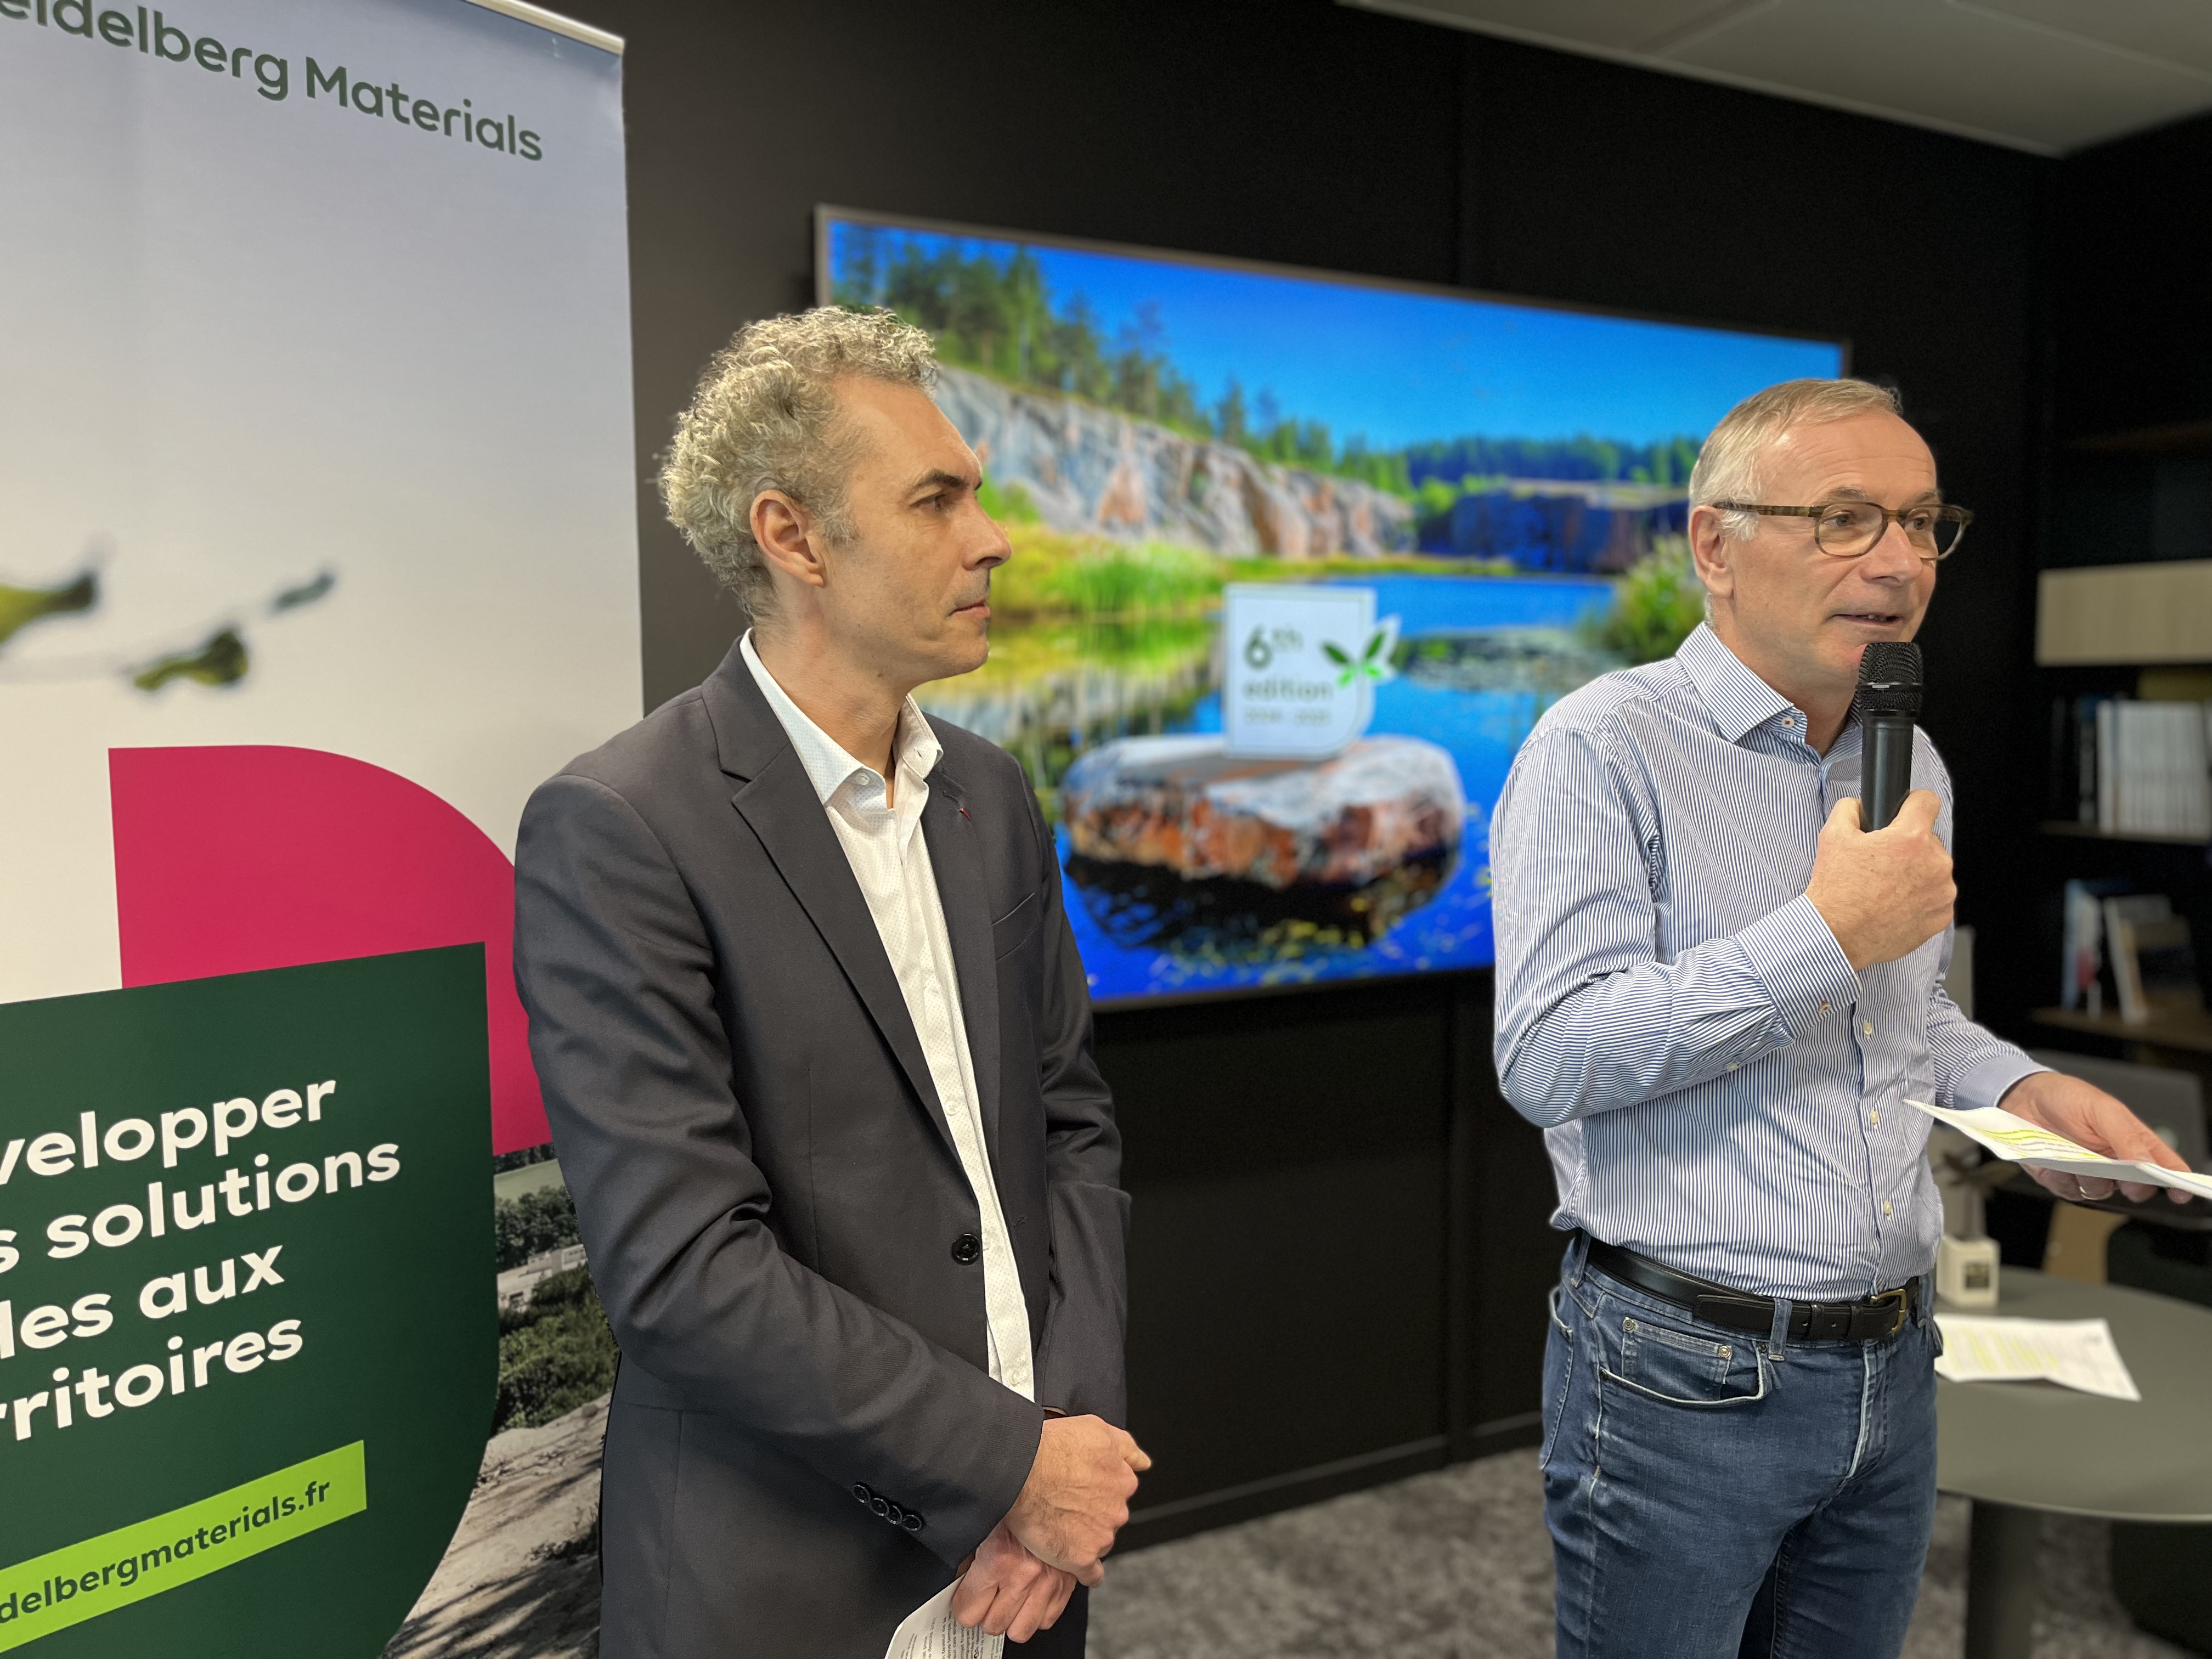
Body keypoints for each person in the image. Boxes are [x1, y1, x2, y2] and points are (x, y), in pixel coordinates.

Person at [1491, 377, 2193, 1659]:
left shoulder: (1906, 758)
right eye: (1847, 519)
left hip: (1894, 1358)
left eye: (1924, 524)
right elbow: (1551, 1054)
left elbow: (1907, 1015)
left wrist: (2022, 1094)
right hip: (1682, 1372)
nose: (1900, 562)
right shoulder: (1599, 748)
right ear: (1716, 546)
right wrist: (1825, 934)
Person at [512, 307, 1144, 1658]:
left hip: (1029, 1569)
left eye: (978, 493)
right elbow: (685, 1269)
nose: (994, 538)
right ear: (792, 537)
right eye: (938, 500)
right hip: (785, 1580)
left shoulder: (989, 791)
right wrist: (1008, 1467)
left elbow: (1070, 1128)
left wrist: (1069, 1456)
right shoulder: (623, 825)